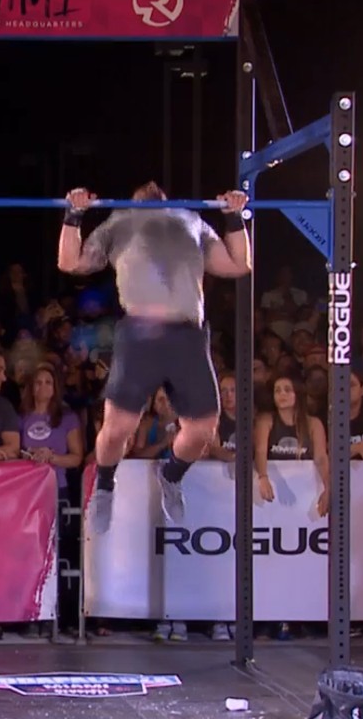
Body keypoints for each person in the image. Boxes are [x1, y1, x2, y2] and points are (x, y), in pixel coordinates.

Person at [57, 181, 252, 534]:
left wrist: (234, 217)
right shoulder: (120, 221)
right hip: (140, 334)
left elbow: (239, 264)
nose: (150, 186)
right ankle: (103, 485)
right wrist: (74, 214)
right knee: (117, 429)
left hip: (186, 335)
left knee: (203, 429)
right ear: (133, 198)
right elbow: (69, 261)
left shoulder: (191, 220)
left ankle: (172, 475)